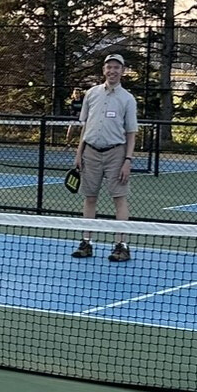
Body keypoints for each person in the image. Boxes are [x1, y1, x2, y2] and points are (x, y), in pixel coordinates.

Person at [71, 54, 139, 262]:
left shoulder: (127, 99)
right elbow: (86, 127)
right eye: (109, 67)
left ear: (123, 71)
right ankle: (86, 242)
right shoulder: (91, 94)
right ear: (104, 70)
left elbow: (131, 133)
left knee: (119, 198)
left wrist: (127, 160)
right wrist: (79, 152)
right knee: (90, 197)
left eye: (117, 67)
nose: (113, 71)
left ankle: (121, 245)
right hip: (90, 153)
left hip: (116, 154)